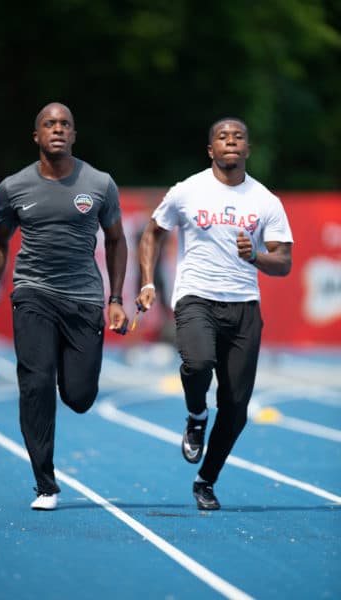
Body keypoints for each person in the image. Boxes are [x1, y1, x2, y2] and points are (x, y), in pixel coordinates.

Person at [0, 102, 128, 510]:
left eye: (65, 124)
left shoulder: (99, 183)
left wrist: (115, 299)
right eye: (49, 124)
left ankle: (68, 365)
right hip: (33, 293)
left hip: (82, 300)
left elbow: (116, 240)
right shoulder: (14, 187)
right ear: (37, 136)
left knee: (78, 396)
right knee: (36, 382)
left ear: (74, 135)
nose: (57, 129)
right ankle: (45, 484)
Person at [136, 117, 293, 510]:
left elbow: (284, 261)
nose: (230, 142)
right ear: (211, 150)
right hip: (196, 297)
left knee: (237, 407)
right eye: (222, 137)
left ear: (247, 149)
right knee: (197, 362)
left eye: (238, 137)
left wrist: (255, 256)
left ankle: (206, 480)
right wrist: (147, 282)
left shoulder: (265, 201)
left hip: (243, 306)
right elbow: (153, 231)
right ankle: (195, 415)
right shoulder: (187, 191)